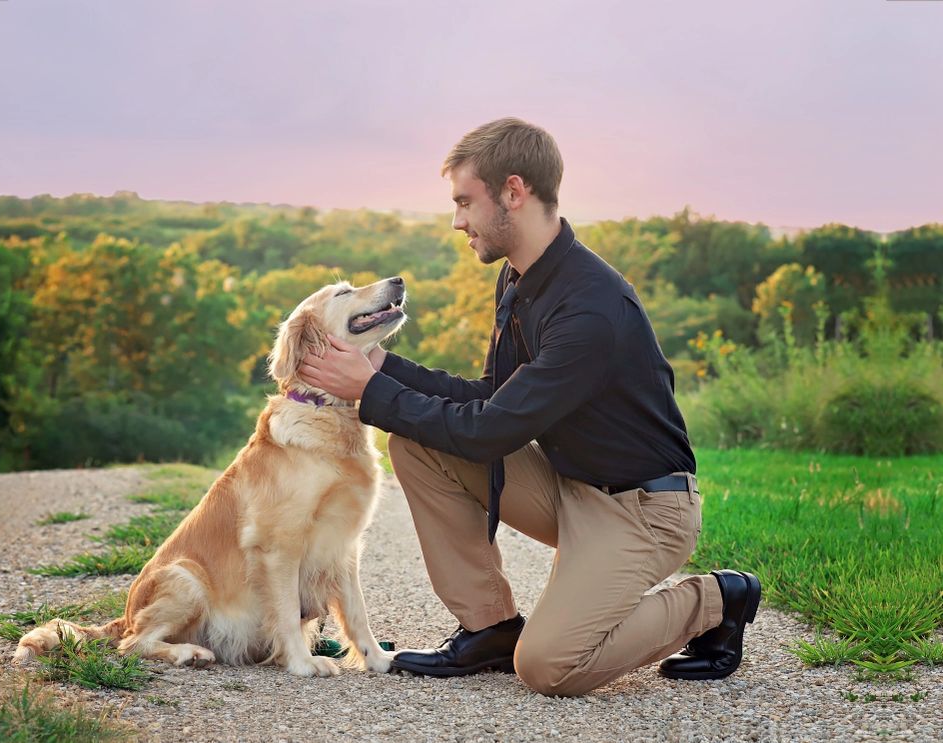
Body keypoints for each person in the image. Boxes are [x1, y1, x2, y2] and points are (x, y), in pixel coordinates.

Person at [298, 117, 761, 696]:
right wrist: (382, 370)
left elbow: (489, 431)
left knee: (548, 666)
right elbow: (493, 398)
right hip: (571, 488)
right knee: (415, 438)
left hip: (642, 512)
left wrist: (369, 393)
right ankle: (489, 628)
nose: (457, 220)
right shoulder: (521, 278)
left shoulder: (590, 308)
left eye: (465, 202)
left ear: (513, 193)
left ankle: (717, 599)